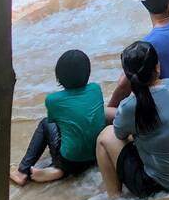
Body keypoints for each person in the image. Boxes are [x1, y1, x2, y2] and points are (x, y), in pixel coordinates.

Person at [96, 41, 169, 200]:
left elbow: (119, 135)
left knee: (105, 136)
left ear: (128, 76)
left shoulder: (129, 107)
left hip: (158, 185)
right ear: (157, 67)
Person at [10, 49, 105, 186]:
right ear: (87, 73)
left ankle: (24, 171)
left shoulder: (53, 100)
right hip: (97, 156)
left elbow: (54, 123)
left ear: (59, 76)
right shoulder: (96, 89)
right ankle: (60, 170)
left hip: (70, 160)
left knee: (44, 124)